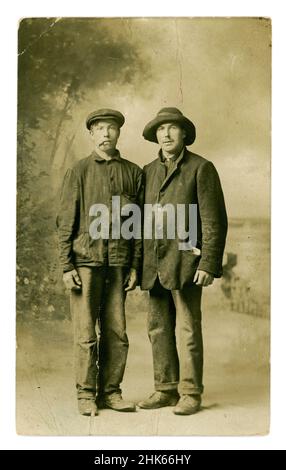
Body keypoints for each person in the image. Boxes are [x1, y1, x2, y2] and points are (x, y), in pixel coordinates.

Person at [138, 107, 228, 415]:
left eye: (172, 128)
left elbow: (213, 221)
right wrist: (139, 266)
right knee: (157, 328)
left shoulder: (202, 168)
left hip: (187, 263)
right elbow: (139, 222)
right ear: (155, 136)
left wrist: (208, 264)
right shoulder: (147, 171)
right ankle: (165, 389)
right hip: (153, 264)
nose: (166, 134)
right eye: (161, 129)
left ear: (184, 134)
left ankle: (190, 392)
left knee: (188, 329)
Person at [56, 108, 143, 416]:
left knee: (117, 332)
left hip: (118, 265)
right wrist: (67, 266)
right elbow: (65, 221)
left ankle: (111, 392)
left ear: (119, 133)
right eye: (100, 129)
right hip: (85, 263)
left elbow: (138, 226)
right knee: (85, 334)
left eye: (112, 128)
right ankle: (85, 395)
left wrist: (133, 264)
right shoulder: (78, 171)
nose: (106, 133)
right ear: (91, 134)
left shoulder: (134, 173)